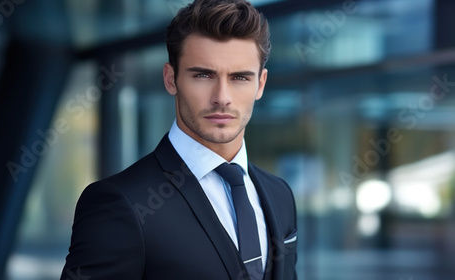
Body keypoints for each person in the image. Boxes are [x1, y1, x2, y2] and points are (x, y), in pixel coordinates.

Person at [60, 0, 297, 279]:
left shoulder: (280, 195)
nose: (222, 97)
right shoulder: (120, 202)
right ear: (171, 79)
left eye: (239, 78)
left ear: (260, 84)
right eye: (203, 75)